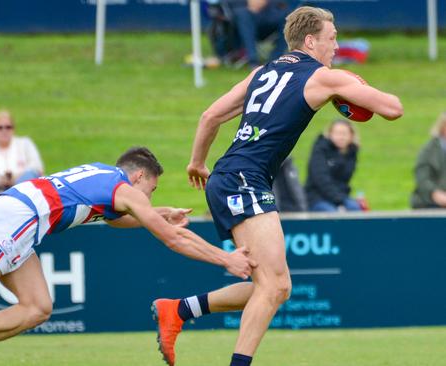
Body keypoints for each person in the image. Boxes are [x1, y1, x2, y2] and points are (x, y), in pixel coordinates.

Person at [153, 6, 403, 366]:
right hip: (244, 179)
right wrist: (354, 87)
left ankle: (177, 310)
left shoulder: (261, 72)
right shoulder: (322, 78)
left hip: (231, 175)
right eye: (332, 39)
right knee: (272, 287)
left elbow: (210, 116)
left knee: (276, 286)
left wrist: (196, 163)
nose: (336, 46)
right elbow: (393, 109)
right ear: (311, 40)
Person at [0, 147, 256, 366]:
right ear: (138, 177)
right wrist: (226, 260)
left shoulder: (104, 177)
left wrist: (159, 212)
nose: (145, 199)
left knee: (38, 307)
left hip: (21, 218)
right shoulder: (124, 188)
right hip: (18, 218)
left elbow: (116, 219)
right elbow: (171, 240)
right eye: (149, 191)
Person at [0, 109, 44, 204]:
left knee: (30, 175)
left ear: (13, 129)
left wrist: (16, 177)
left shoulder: (25, 144)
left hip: (26, 193)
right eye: (0, 128)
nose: (4, 131)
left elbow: (37, 166)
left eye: (8, 127)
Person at [305, 119, 361, 212]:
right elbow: (321, 179)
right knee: (332, 213)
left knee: (355, 208)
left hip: (341, 195)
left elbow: (344, 181)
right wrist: (339, 202)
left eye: (344, 133)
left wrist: (342, 200)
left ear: (351, 136)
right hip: (317, 197)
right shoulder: (321, 150)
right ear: (330, 134)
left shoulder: (351, 153)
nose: (341, 137)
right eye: (337, 133)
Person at [233, 0, 290, 68]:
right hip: (245, 20)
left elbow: (283, 4)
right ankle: (253, 60)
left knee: (288, 17)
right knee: (242, 14)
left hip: (270, 19)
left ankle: (274, 59)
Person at [411, 112, 446, 208]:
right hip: (431, 205)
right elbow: (423, 179)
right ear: (443, 127)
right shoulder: (429, 150)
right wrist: (435, 194)